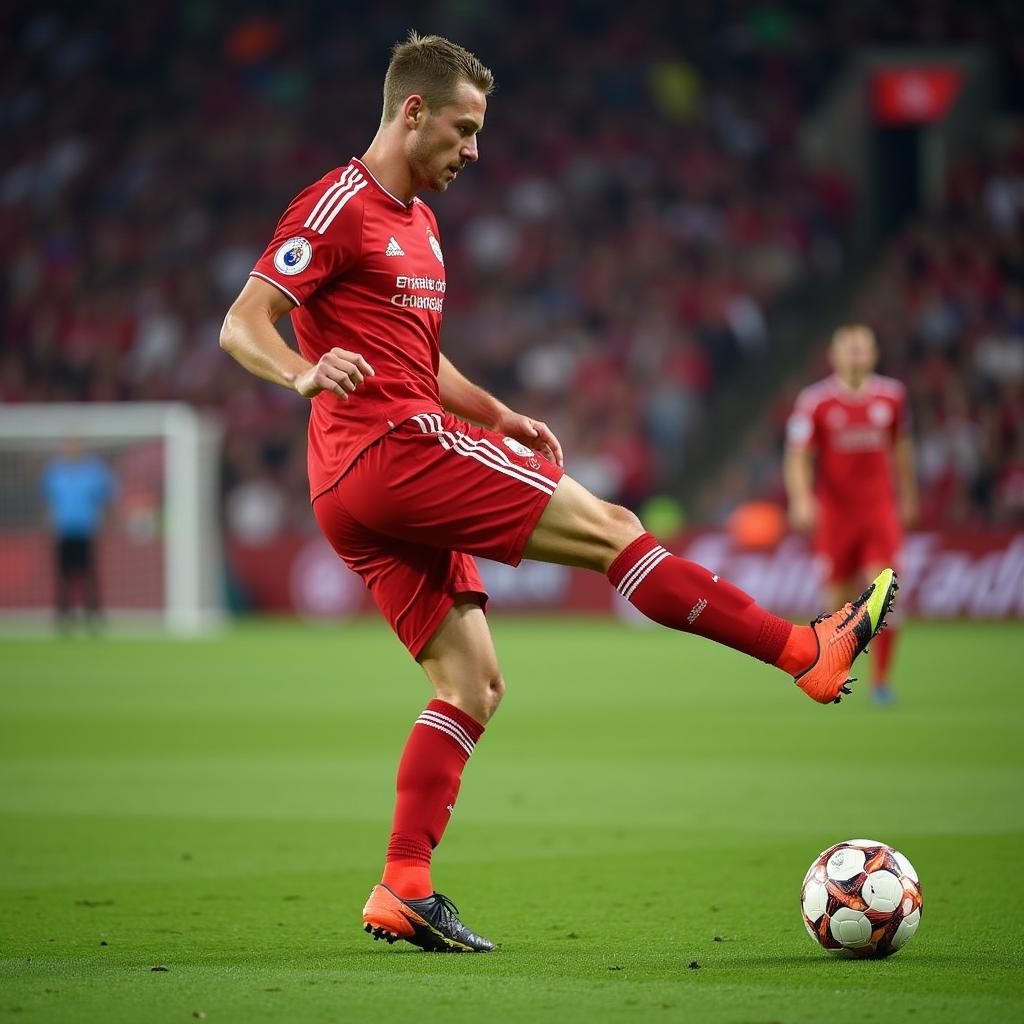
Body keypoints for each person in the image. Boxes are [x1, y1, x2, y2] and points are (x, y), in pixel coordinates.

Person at [220, 33, 898, 954]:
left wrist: (496, 411)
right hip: (388, 450)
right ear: (411, 111)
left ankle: (402, 886)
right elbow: (243, 323)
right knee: (615, 527)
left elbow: (418, 355)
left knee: (472, 684)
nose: (473, 152)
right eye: (462, 130)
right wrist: (301, 373)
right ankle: (802, 651)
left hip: (361, 478)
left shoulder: (420, 223)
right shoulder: (338, 203)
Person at [784, 325, 918, 705]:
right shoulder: (815, 402)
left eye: (863, 350)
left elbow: (903, 448)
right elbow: (798, 456)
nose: (857, 357)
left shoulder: (892, 397)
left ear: (874, 355)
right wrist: (801, 498)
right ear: (835, 356)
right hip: (837, 515)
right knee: (837, 598)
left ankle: (881, 682)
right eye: (850, 350)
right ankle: (832, 670)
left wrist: (908, 495)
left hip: (879, 511)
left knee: (886, 590)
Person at [40, 438, 117, 630]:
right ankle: (63, 616)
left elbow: (108, 497)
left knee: (88, 575)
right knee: (63, 575)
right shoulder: (54, 471)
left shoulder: (94, 471)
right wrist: (48, 523)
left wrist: (107, 521)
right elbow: (47, 500)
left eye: (75, 445)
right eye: (68, 446)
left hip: (86, 530)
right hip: (63, 531)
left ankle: (93, 615)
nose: (71, 449)